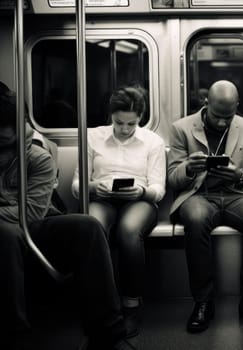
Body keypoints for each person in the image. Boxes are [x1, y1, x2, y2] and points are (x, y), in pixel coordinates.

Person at [0, 87, 134, 350]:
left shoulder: (36, 156)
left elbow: (31, 212)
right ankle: (17, 335)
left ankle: (107, 332)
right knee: (6, 234)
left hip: (30, 223)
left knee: (88, 226)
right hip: (8, 231)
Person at [167, 80, 243, 333]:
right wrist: (189, 168)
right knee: (197, 219)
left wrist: (240, 175)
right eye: (217, 116)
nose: (223, 122)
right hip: (198, 194)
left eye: (229, 116)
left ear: (237, 106)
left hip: (237, 194)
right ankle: (203, 302)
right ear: (206, 103)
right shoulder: (181, 128)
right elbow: (172, 178)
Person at [72, 85, 166, 337]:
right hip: (102, 197)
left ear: (140, 119)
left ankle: (131, 305)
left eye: (131, 124)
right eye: (119, 122)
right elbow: (76, 186)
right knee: (92, 227)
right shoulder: (92, 137)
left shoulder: (153, 142)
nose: (124, 130)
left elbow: (158, 187)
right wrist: (94, 188)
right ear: (110, 116)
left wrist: (141, 192)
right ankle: (100, 305)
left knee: (128, 231)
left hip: (139, 200)